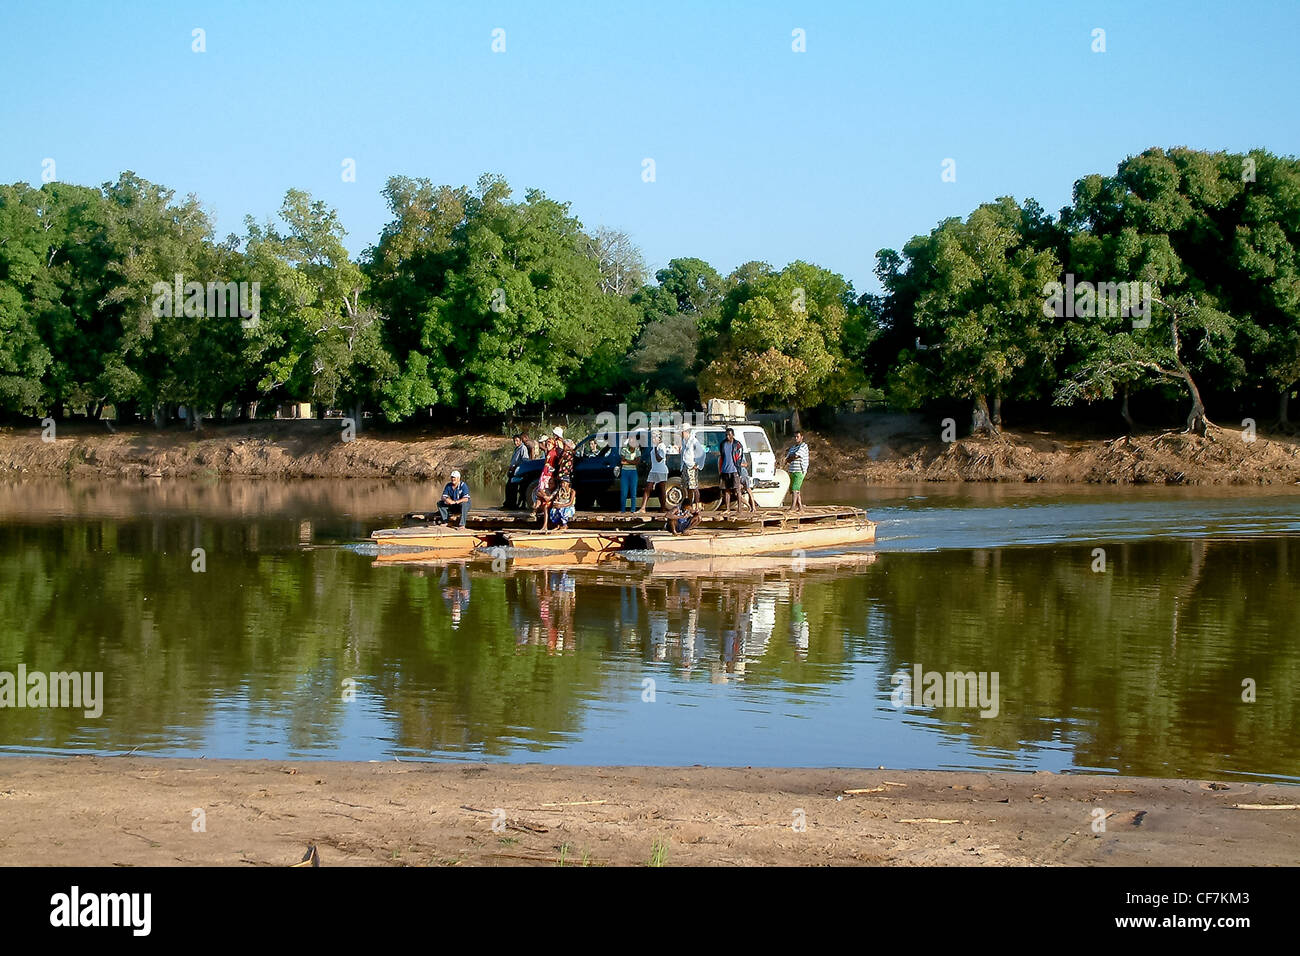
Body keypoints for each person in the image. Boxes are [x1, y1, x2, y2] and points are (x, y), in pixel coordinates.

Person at [638, 431, 669, 514]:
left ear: (659, 438)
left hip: (661, 470)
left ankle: (663, 507)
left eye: (655, 437)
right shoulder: (654, 446)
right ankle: (643, 508)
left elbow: (659, 459)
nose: (653, 439)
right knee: (648, 488)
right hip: (654, 470)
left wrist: (655, 449)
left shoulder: (661, 446)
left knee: (661, 489)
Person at [717, 427, 745, 514]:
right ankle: (727, 508)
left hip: (734, 470)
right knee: (726, 490)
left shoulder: (737, 444)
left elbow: (740, 457)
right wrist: (720, 469)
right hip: (725, 470)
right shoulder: (723, 444)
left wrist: (738, 467)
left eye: (729, 435)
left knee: (737, 490)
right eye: (726, 435)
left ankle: (740, 509)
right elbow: (722, 456)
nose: (728, 436)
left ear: (733, 435)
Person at [680, 427, 705, 508]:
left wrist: (697, 465)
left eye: (683, 432)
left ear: (687, 432)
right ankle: (690, 505)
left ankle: (697, 506)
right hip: (685, 466)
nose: (682, 434)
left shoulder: (693, 441)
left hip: (691, 466)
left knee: (694, 487)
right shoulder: (684, 441)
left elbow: (702, 453)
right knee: (687, 487)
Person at [785, 430, 809, 512]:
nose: (796, 438)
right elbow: (788, 458)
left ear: (801, 437)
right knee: (795, 490)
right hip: (792, 471)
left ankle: (793, 507)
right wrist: (791, 457)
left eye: (797, 437)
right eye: (795, 437)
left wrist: (792, 457)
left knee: (795, 489)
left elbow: (796, 455)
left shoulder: (803, 446)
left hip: (800, 471)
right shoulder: (792, 448)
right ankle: (800, 508)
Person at [619, 432, 641, 512]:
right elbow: (622, 461)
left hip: (633, 472)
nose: (632, 441)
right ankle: (622, 510)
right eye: (630, 439)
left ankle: (633, 510)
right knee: (624, 492)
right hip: (625, 471)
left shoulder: (637, 450)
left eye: (633, 440)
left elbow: (637, 462)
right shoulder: (624, 449)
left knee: (633, 492)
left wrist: (627, 461)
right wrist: (632, 461)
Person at [505, 434, 528, 508]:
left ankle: (512, 504)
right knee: (508, 487)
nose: (515, 442)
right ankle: (508, 503)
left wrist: (516, 467)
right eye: (514, 441)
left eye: (517, 441)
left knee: (513, 488)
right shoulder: (517, 449)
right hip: (513, 471)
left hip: (518, 471)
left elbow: (525, 460)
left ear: (521, 441)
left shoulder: (523, 448)